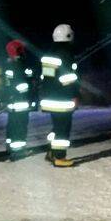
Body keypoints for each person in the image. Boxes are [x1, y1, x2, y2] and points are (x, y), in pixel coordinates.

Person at [39, 24, 79, 167]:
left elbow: (48, 77)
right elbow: (67, 78)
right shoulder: (65, 53)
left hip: (50, 98)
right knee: (63, 129)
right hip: (62, 99)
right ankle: (59, 157)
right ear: (69, 36)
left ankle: (51, 152)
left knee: (57, 127)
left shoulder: (49, 54)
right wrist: (74, 94)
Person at [2, 39, 36, 161]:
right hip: (21, 103)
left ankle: (10, 147)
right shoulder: (19, 65)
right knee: (20, 127)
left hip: (13, 103)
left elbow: (7, 85)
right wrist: (31, 90)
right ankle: (18, 151)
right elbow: (24, 84)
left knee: (12, 125)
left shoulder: (8, 65)